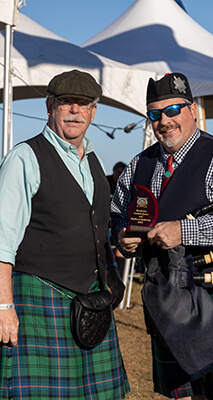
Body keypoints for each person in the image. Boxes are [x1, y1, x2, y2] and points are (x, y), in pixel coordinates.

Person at [111, 72, 213, 400]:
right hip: (167, 296)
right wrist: (122, 235)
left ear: (192, 109)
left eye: (173, 110)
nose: (164, 121)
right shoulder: (141, 163)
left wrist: (185, 230)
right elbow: (117, 211)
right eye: (154, 114)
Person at [0, 69, 130, 400]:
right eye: (66, 103)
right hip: (39, 297)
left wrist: (112, 269)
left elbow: (98, 226)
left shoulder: (94, 161)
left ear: (93, 111)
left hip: (91, 298)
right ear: (49, 106)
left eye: (83, 104)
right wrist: (4, 307)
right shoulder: (24, 158)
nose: (74, 111)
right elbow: (2, 243)